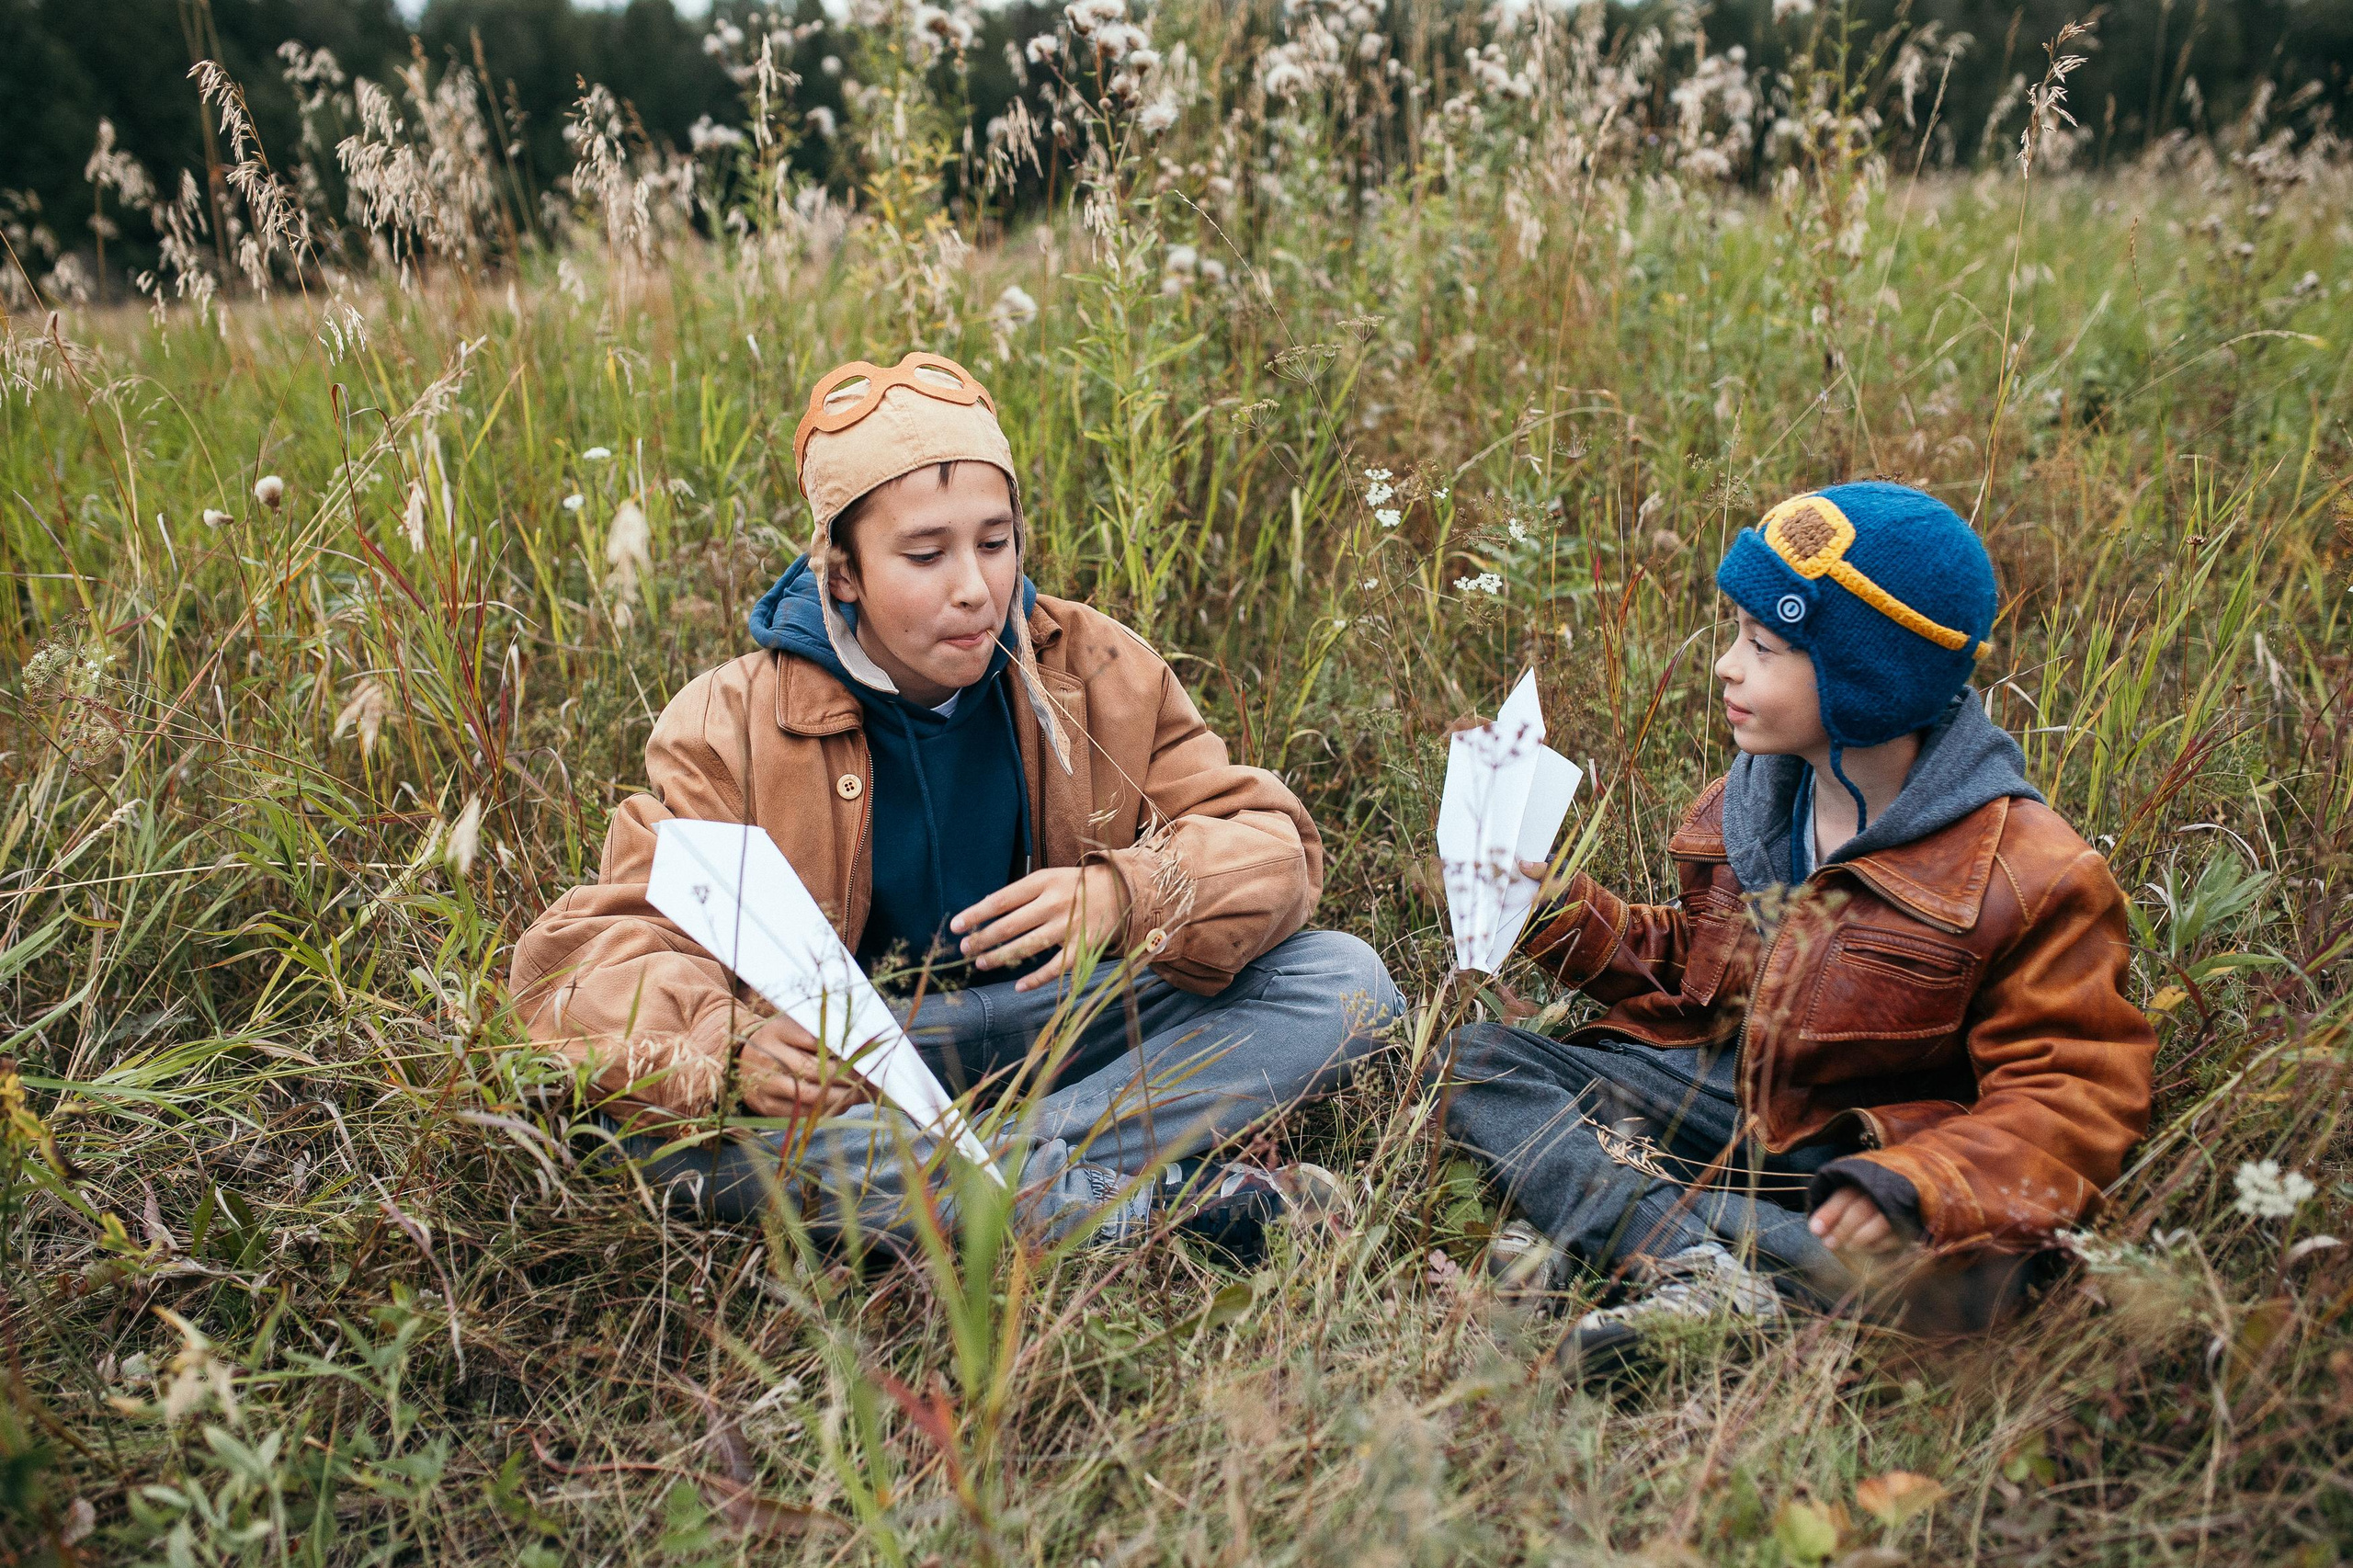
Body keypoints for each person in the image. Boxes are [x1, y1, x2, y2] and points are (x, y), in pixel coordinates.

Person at [509, 350, 1401, 1262]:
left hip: (1069, 1023)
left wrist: (1130, 892)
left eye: (996, 540)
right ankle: (1128, 1198)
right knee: (645, 1139)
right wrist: (732, 1051)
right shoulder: (728, 724)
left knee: (1344, 982)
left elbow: (1272, 845)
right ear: (841, 571)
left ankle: (1016, 1186)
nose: (975, 585)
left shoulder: (1096, 668)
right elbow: (584, 965)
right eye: (926, 553)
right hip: (860, 1069)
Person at [1437, 482, 2154, 1370]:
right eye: (1736, 635)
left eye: (1762, 645)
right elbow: (1710, 967)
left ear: (1866, 681)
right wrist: (1565, 919)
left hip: (1853, 1164)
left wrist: (1916, 1184)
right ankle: (1695, 1263)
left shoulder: (2033, 875)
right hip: (1716, 1106)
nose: (1727, 666)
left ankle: (1612, 1240)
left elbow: (2073, 1093)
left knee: (1978, 1273)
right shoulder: (1759, 797)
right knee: (1475, 1064)